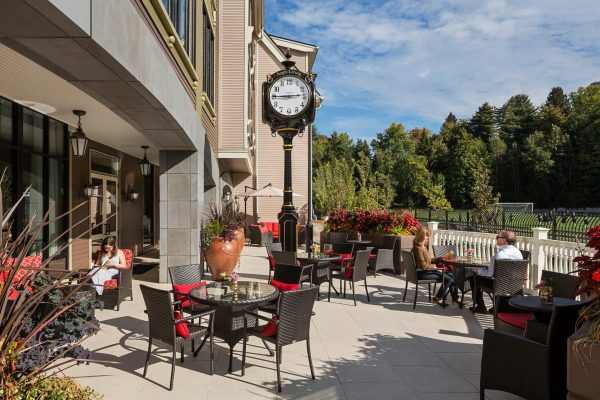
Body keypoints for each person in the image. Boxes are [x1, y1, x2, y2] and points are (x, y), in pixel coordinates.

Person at [469, 230, 523, 313]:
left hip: (498, 285)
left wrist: (478, 271)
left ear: (504, 240)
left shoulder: (500, 254)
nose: (496, 239)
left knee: (473, 277)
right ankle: (496, 306)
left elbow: (490, 274)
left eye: (498, 237)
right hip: (514, 284)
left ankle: (480, 306)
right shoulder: (518, 252)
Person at [412, 227, 457, 305]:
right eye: (427, 236)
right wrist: (436, 269)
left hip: (425, 272)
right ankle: (439, 297)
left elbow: (428, 261)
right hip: (422, 274)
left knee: (450, 275)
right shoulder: (418, 248)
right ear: (421, 236)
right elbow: (423, 266)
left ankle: (455, 297)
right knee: (449, 278)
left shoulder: (423, 247)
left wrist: (439, 258)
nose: (428, 238)